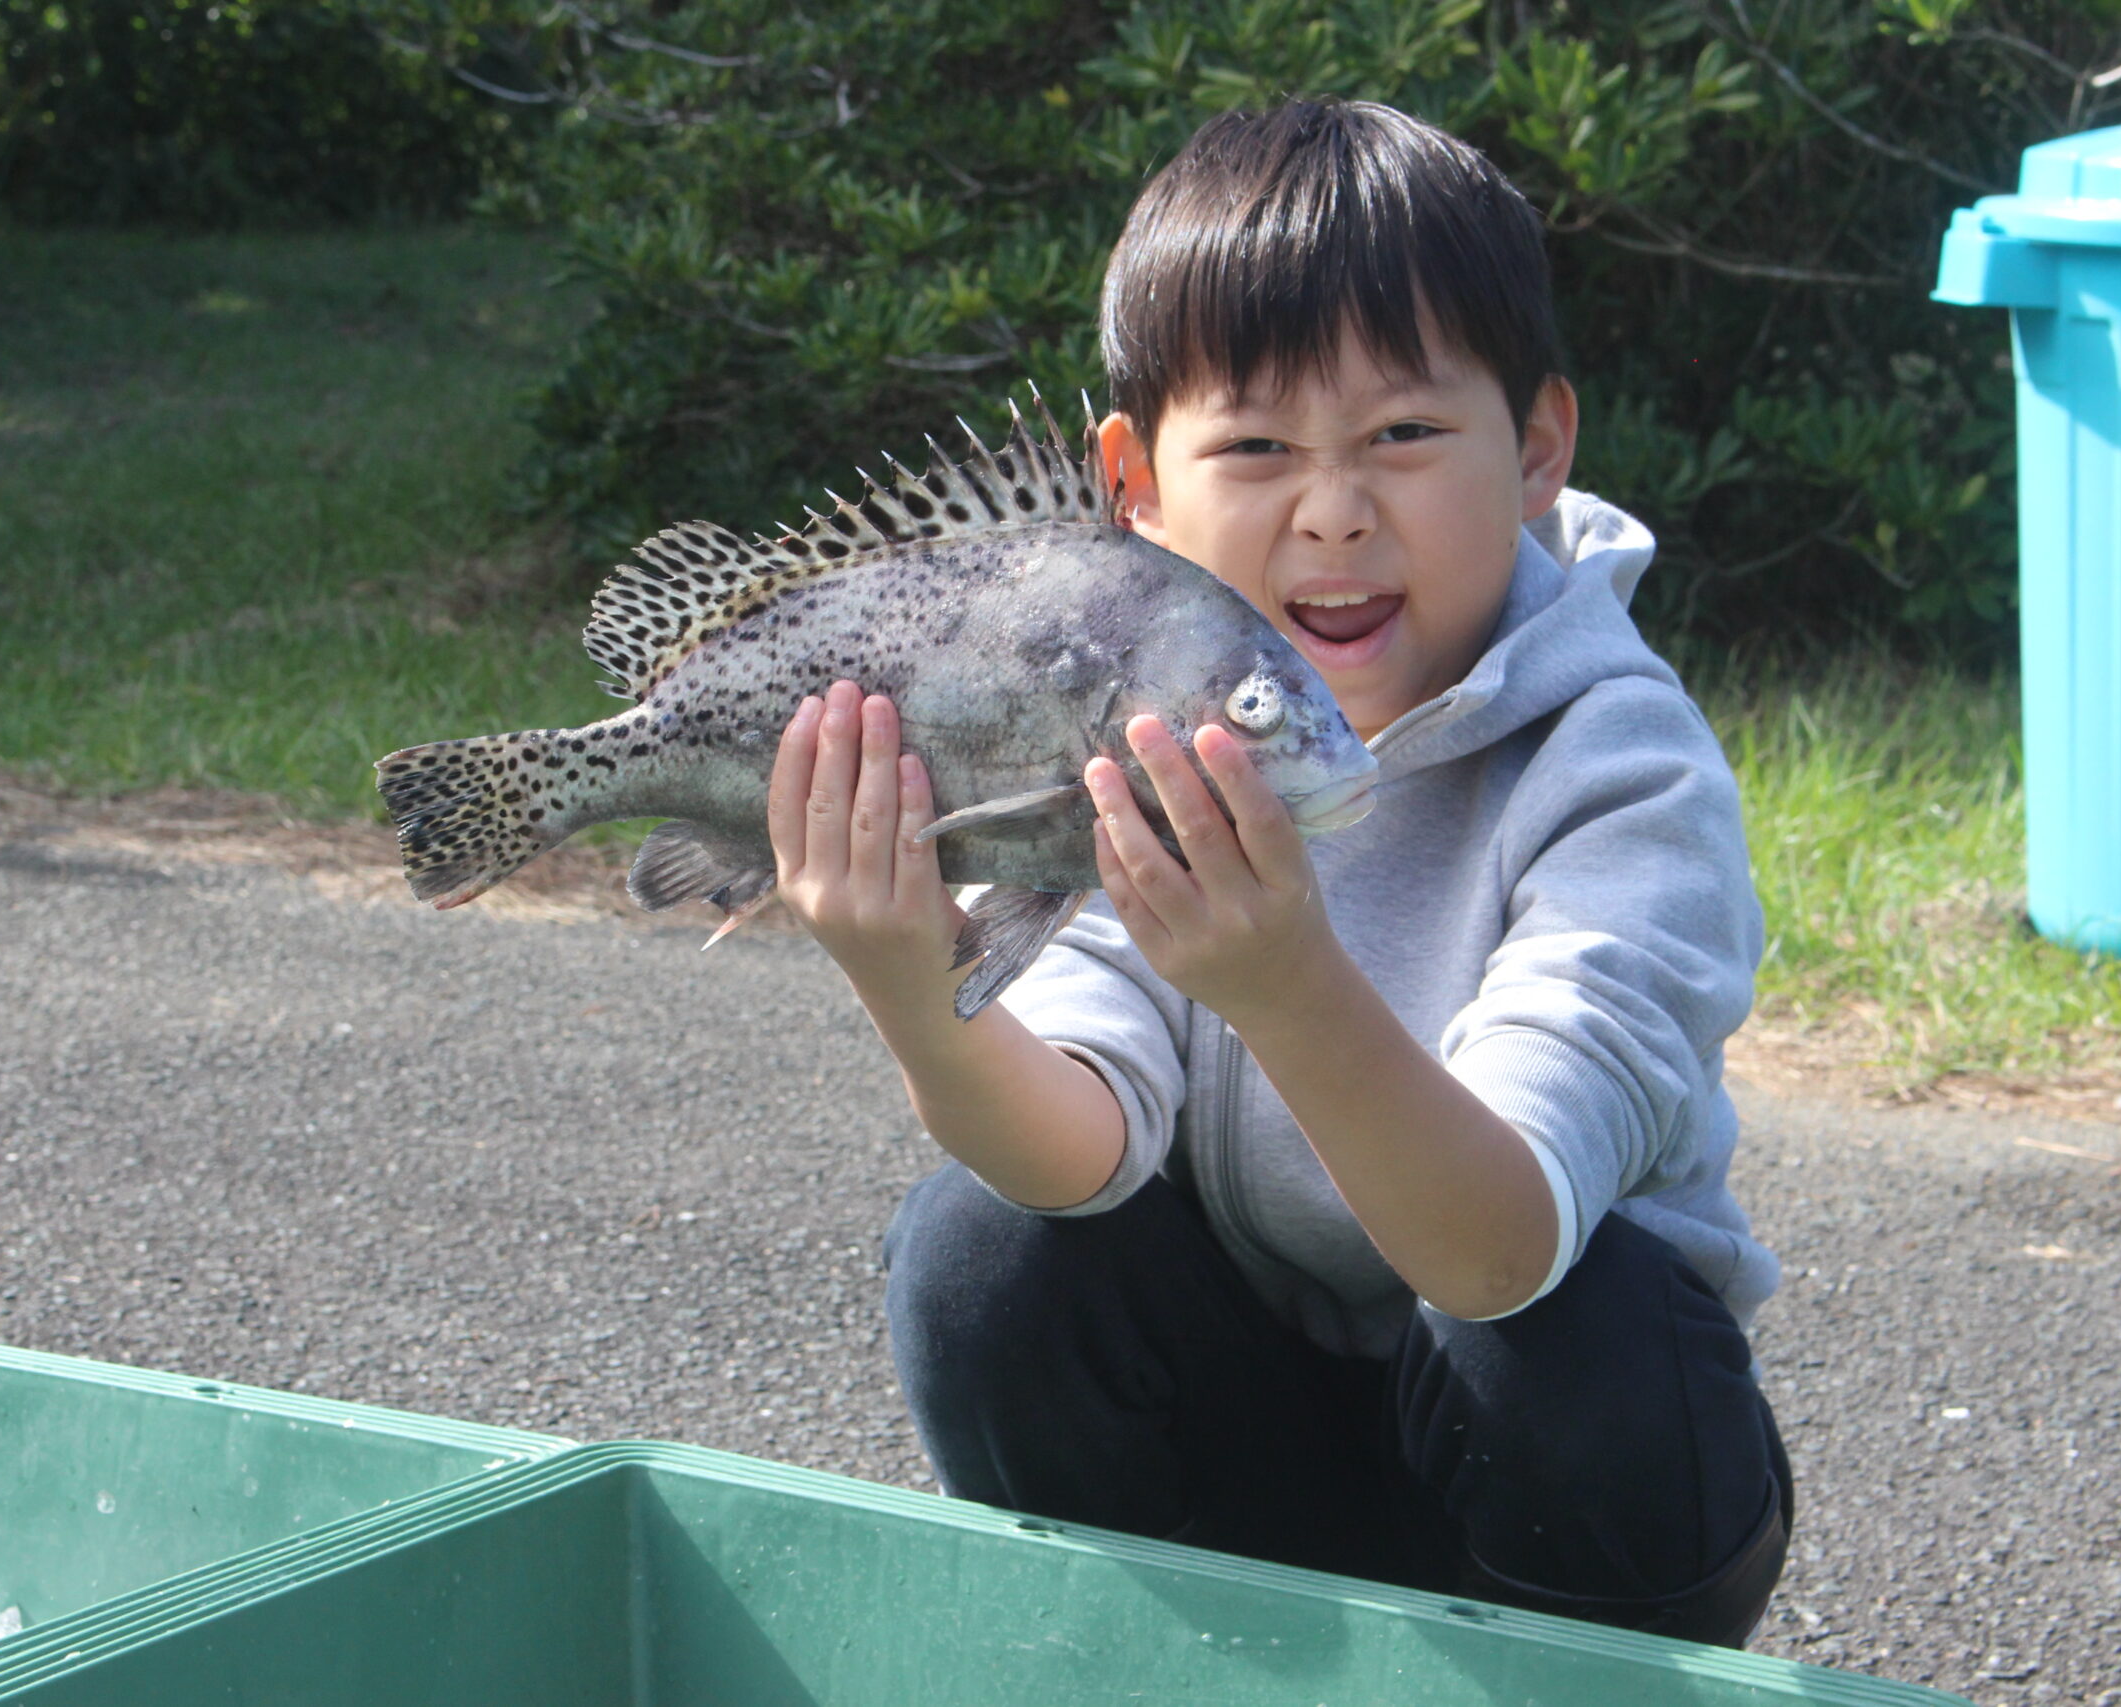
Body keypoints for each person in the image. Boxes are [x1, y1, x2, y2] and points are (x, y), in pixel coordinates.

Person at [762, 97, 1790, 1648]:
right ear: (1135, 487)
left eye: (1405, 434)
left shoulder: (1622, 772)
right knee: (983, 1254)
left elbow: (1496, 1253)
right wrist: (915, 989)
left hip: (1568, 1496)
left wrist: (1289, 986)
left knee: (1569, 1341)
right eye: (1254, 447)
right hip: (1253, 1474)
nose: (1333, 511)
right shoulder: (1126, 726)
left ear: (1538, 447)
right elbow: (1075, 1152)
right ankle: (1180, 1661)